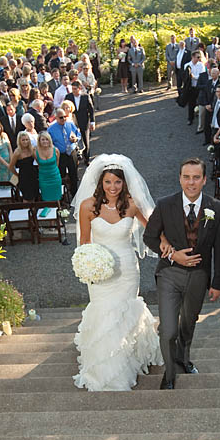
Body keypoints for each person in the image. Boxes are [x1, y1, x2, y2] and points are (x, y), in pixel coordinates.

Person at [71, 154, 164, 391]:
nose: (113, 187)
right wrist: (88, 266)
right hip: (99, 271)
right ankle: (105, 368)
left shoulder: (132, 205)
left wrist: (169, 244)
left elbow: (152, 229)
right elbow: (84, 241)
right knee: (104, 315)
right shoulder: (87, 206)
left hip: (126, 269)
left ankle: (127, 360)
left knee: (124, 312)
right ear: (100, 182)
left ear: (125, 183)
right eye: (108, 182)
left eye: (117, 182)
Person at [143, 157, 220, 390]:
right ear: (180, 178)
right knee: (168, 330)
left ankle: (183, 359)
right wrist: (172, 254)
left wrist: (218, 283)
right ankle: (170, 374)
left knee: (188, 324)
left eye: (196, 177)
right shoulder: (165, 204)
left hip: (199, 276)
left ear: (204, 180)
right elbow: (149, 237)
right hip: (169, 274)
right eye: (186, 177)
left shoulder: (217, 208)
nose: (191, 182)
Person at [48, 108, 81, 197]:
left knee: (74, 174)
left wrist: (76, 139)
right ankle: (64, 195)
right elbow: (49, 143)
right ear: (56, 118)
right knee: (62, 175)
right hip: (61, 155)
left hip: (71, 152)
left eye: (65, 117)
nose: (63, 119)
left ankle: (75, 194)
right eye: (61, 117)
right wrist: (54, 148)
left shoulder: (70, 124)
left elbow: (78, 134)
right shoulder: (51, 129)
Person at [64, 81, 96, 165]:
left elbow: (91, 109)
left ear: (80, 88)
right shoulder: (68, 97)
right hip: (72, 121)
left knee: (86, 140)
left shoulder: (85, 96)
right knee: (73, 139)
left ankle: (87, 158)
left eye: (75, 89)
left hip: (84, 121)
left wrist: (92, 122)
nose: (73, 91)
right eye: (72, 89)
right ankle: (77, 156)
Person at [8, 131, 39, 202]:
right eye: (23, 140)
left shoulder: (31, 149)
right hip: (24, 177)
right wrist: (17, 174)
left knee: (34, 194)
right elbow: (11, 166)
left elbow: (37, 160)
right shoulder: (17, 152)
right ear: (19, 141)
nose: (25, 142)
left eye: (26, 139)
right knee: (27, 197)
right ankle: (26, 211)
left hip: (33, 174)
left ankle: (34, 211)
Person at [34, 132, 62, 201]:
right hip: (44, 179)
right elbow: (38, 163)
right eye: (43, 140)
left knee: (57, 198)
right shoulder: (35, 152)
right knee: (46, 199)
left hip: (55, 178)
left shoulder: (56, 150)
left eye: (47, 139)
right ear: (39, 141)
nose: (45, 141)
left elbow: (57, 163)